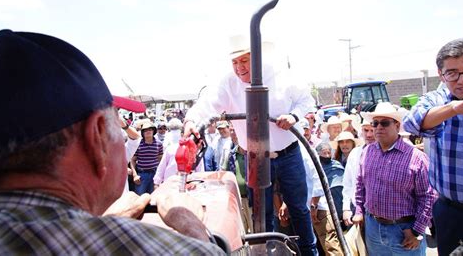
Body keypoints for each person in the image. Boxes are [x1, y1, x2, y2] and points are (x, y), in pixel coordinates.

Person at [0, 29, 224, 255]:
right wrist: (196, 231)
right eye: (116, 120)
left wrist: (104, 221)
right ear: (97, 137)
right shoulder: (161, 248)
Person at [183, 34, 318, 255]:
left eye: (244, 61)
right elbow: (206, 105)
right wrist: (190, 121)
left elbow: (307, 101)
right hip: (254, 157)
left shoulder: (284, 76)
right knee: (260, 214)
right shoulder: (228, 83)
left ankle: (309, 251)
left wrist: (294, 116)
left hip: (288, 154)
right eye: (234, 62)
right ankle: (265, 252)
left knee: (299, 208)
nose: (239, 68)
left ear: (258, 57)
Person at [403, 38, 463, 255]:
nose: (462, 80)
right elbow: (412, 122)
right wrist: (455, 108)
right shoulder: (439, 99)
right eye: (452, 73)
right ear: (441, 75)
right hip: (453, 212)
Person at [353, 102, 436, 255]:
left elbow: (428, 197)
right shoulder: (368, 152)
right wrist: (359, 210)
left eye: (384, 123)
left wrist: (417, 231)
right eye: (375, 123)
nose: (378, 127)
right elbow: (360, 184)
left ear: (397, 126)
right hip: (373, 227)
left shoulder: (416, 157)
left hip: (405, 229)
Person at [341, 118, 375, 227]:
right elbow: (348, 183)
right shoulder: (355, 153)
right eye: (366, 130)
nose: (369, 134)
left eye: (372, 130)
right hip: (356, 209)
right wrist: (346, 208)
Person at [131, 122, 163, 194]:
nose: (148, 131)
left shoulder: (159, 144)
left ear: (153, 131)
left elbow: (161, 160)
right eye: (145, 130)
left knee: (153, 198)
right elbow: (133, 160)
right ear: (142, 133)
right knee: (140, 198)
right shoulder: (138, 144)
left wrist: (161, 175)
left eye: (150, 129)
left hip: (155, 174)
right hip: (142, 175)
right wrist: (135, 175)